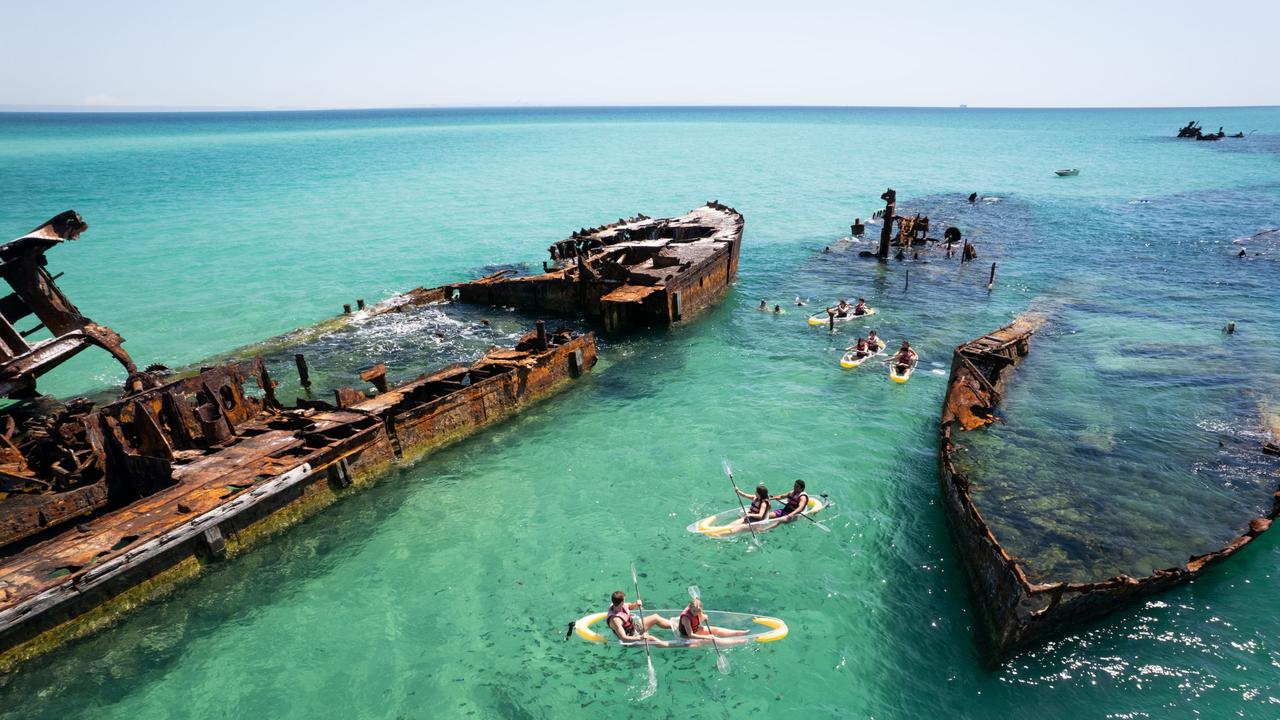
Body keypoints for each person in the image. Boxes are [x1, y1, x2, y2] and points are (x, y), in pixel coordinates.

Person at [606, 591, 673, 645]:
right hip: (631, 638)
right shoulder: (615, 620)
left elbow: (629, 606)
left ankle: (676, 626)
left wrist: (636, 604)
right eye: (624, 600)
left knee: (655, 617)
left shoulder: (619, 604)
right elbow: (624, 638)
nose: (625, 602)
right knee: (652, 639)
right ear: (621, 602)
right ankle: (671, 645)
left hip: (634, 627)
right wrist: (640, 638)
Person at [678, 597, 749, 643]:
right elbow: (690, 635)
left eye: (698, 611)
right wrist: (707, 637)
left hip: (695, 629)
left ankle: (738, 633)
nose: (696, 613)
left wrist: (703, 616)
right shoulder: (686, 618)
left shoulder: (697, 609)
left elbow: (700, 613)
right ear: (690, 608)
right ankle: (739, 641)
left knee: (716, 630)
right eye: (694, 611)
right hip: (687, 636)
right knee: (715, 639)